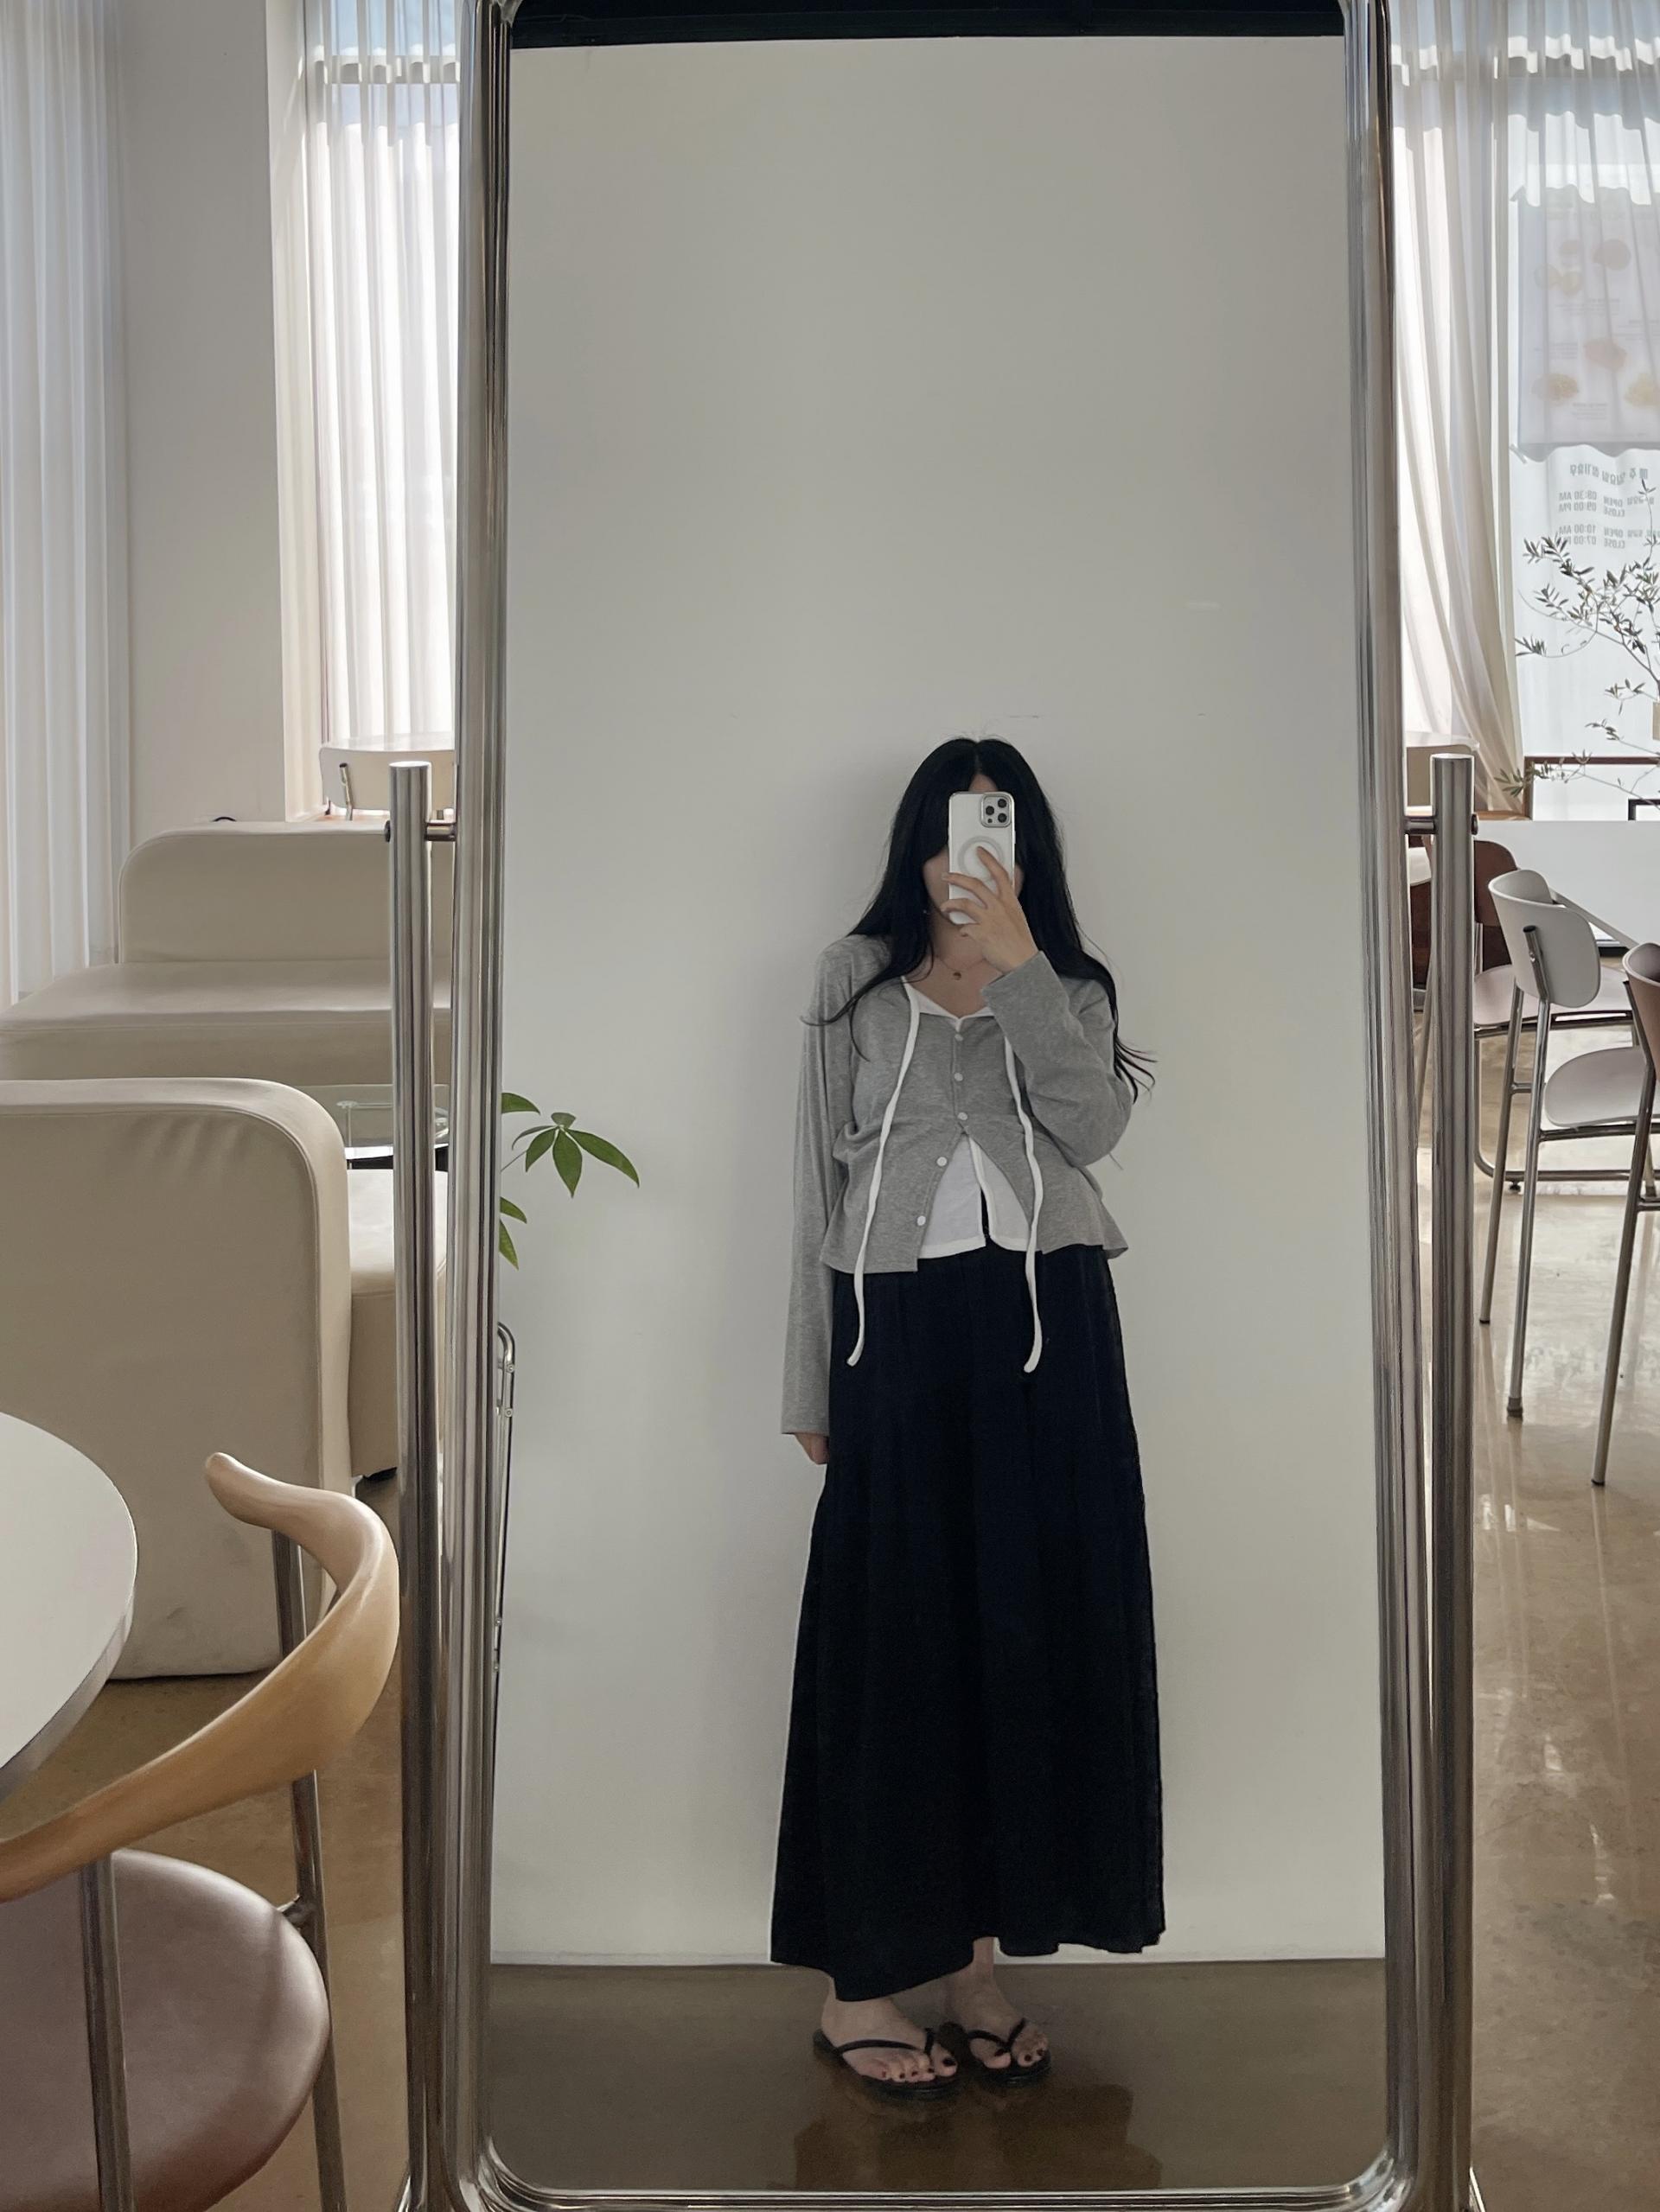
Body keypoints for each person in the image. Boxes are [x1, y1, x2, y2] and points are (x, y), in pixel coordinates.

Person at [771, 736, 1163, 2099]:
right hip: (893, 1341)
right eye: (950, 832)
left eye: (993, 831)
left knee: (1021, 1635)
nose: (966, 860)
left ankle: (977, 1971)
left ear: (1023, 847)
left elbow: (1093, 1132)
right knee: (890, 1649)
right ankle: (859, 1985)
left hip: (1051, 1339)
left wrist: (1020, 967)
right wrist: (809, 1383)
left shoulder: (1068, 987)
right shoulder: (851, 982)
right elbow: (813, 1191)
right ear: (916, 843)